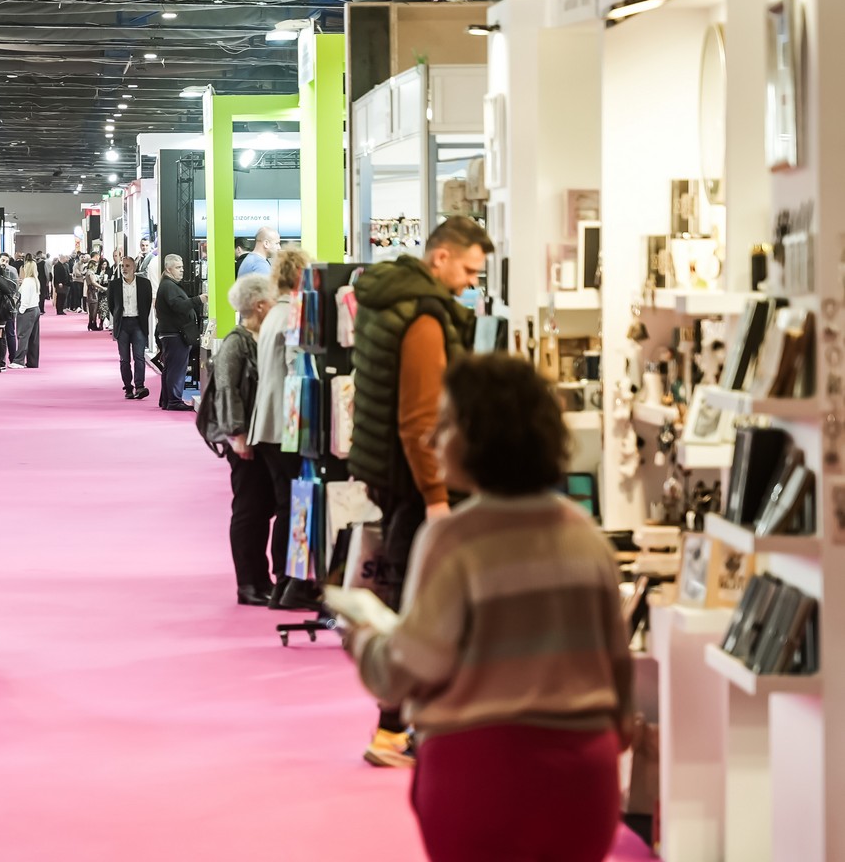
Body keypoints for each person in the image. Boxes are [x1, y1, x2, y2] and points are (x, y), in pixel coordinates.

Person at [343, 355, 633, 862]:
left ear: (484, 433)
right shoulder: (586, 538)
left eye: (446, 422)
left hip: (481, 776)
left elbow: (405, 671)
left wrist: (361, 638)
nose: (431, 438)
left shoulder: (454, 539)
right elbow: (618, 673)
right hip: (585, 779)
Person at [348, 216, 493, 768]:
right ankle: (393, 731)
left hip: (391, 474)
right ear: (441, 257)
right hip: (415, 482)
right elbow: (419, 419)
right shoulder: (425, 317)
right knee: (417, 607)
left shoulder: (388, 300)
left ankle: (403, 727)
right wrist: (437, 496)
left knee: (409, 601)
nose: (471, 283)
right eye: (469, 270)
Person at [203, 274, 278, 605]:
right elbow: (226, 390)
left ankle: (261, 579)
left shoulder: (262, 337)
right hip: (244, 439)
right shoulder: (237, 342)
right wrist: (237, 434)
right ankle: (249, 583)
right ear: (259, 305)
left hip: (261, 435)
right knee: (249, 509)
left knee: (261, 508)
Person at [249, 248, 313, 607]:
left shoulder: (274, 313)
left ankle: (283, 583)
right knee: (291, 504)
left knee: (284, 502)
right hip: (284, 426)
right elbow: (295, 371)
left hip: (268, 423)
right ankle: (288, 583)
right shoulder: (293, 314)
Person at [155, 254, 204, 411]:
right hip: (175, 334)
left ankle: (167, 400)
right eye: (178, 267)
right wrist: (198, 300)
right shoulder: (169, 286)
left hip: (171, 333)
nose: (182, 270)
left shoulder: (168, 285)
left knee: (170, 368)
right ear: (168, 269)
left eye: (182, 267)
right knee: (176, 369)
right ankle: (174, 401)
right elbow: (179, 306)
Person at [107, 255, 152, 400]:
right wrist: (118, 318)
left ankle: (140, 386)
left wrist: (141, 318)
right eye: (122, 266)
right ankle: (128, 387)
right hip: (123, 324)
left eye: (127, 266)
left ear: (134, 267)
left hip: (138, 323)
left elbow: (147, 304)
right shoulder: (114, 285)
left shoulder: (144, 284)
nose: (124, 268)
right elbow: (111, 305)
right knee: (124, 359)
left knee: (139, 357)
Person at [12, 260, 42, 369]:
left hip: (27, 310)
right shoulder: (35, 280)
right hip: (35, 308)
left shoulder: (27, 281)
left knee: (23, 336)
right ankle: (32, 361)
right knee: (33, 338)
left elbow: (25, 299)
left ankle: (19, 361)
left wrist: (21, 310)